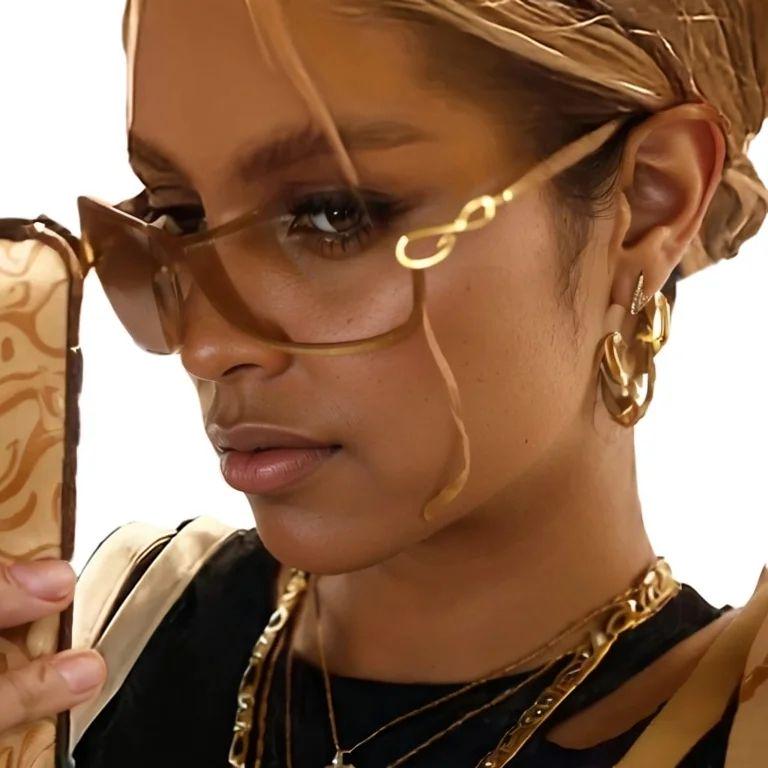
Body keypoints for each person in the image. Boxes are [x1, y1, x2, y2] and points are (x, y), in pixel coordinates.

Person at [1, 1, 767, 766]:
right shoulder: (110, 638)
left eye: (334, 215)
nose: (204, 344)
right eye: (179, 216)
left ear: (649, 203)